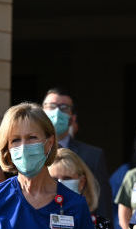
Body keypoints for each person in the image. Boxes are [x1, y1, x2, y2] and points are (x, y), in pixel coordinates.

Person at [41, 87, 114, 219]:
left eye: (64, 108)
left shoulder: (93, 156)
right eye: (51, 106)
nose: (57, 112)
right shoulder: (30, 152)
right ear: (42, 113)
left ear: (72, 118)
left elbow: (103, 205)